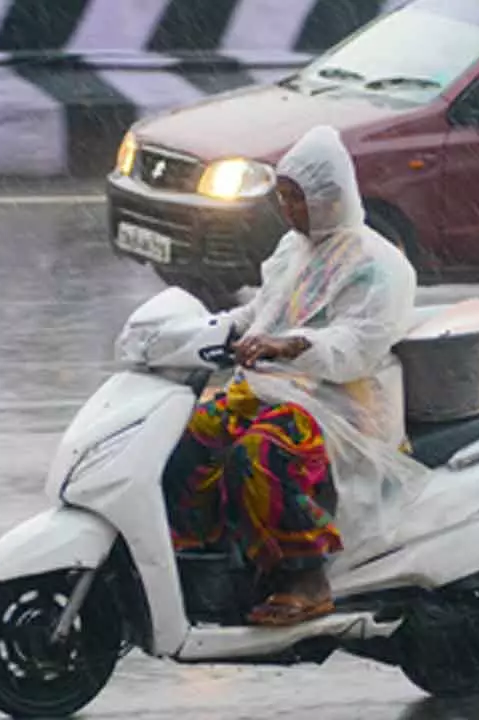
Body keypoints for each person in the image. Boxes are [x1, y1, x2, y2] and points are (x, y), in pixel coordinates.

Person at [162, 125, 418, 627]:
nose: (288, 210)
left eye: (296, 199)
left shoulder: (379, 267)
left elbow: (356, 347)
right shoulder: (292, 250)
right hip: (276, 388)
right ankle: (202, 563)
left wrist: (292, 343)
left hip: (343, 406)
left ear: (330, 198)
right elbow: (263, 309)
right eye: (282, 197)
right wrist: (198, 332)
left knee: (258, 456)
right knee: (186, 439)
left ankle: (305, 578)